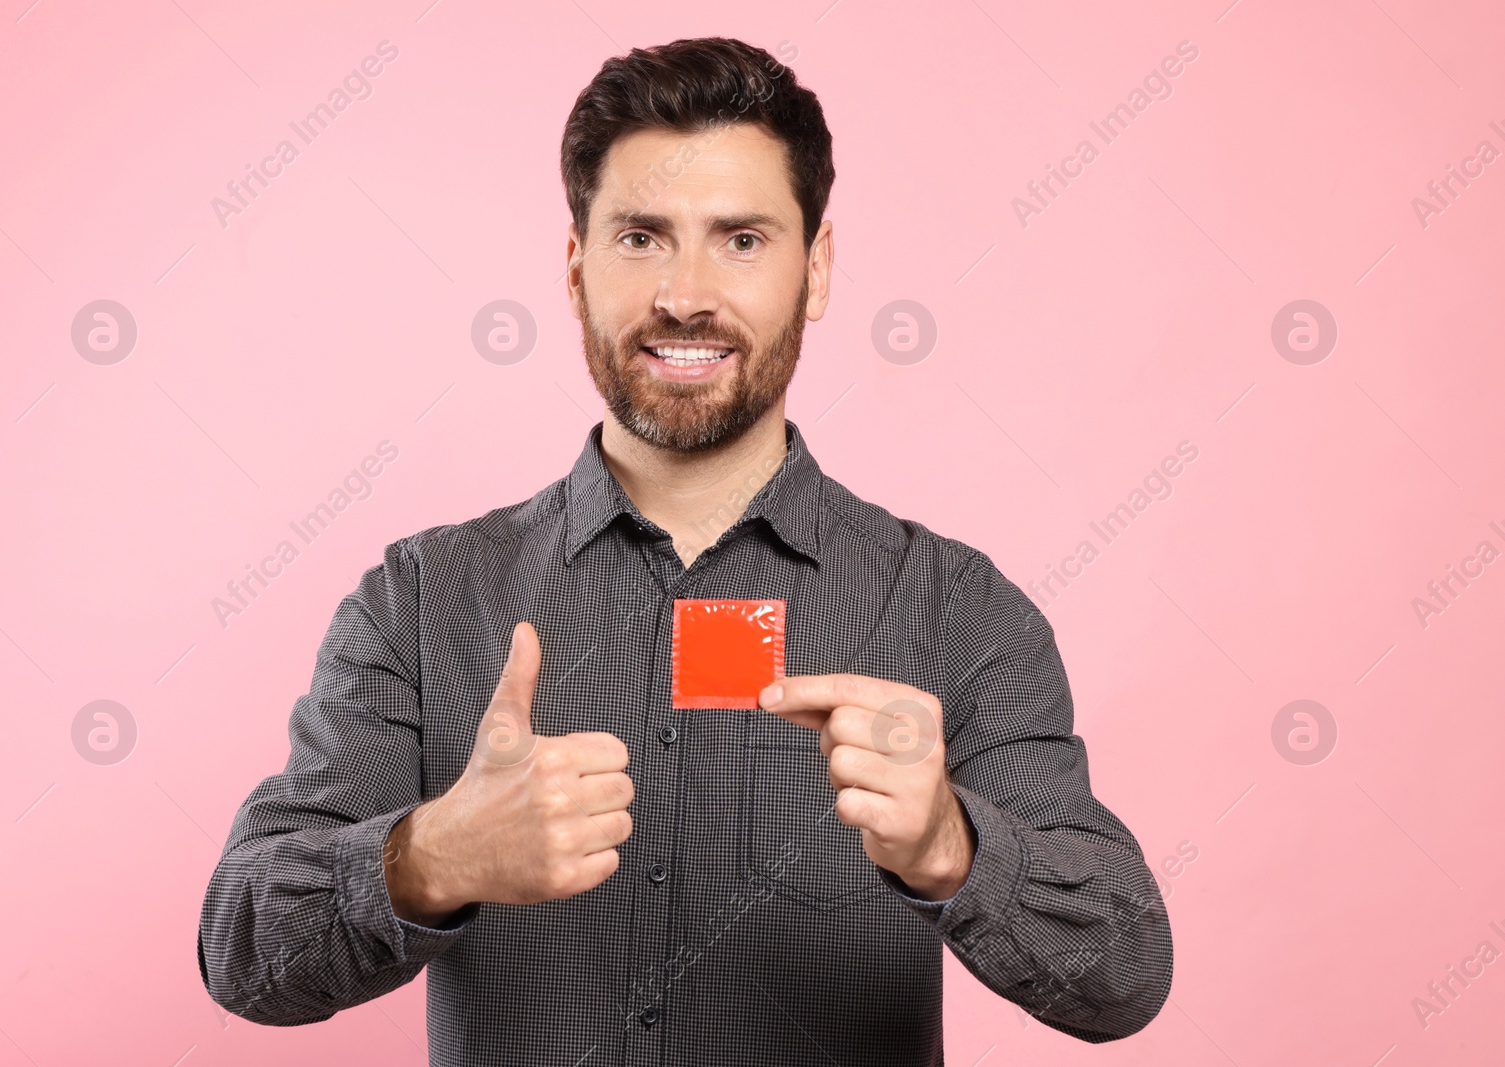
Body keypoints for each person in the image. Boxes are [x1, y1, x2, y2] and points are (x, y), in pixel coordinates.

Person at [198, 35, 1172, 1066]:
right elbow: (245, 953)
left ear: (818, 267)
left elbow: (1121, 976)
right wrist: (431, 855)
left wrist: (950, 847)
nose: (684, 293)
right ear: (576, 270)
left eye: (741, 239)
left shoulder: (957, 610)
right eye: (640, 237)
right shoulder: (419, 602)